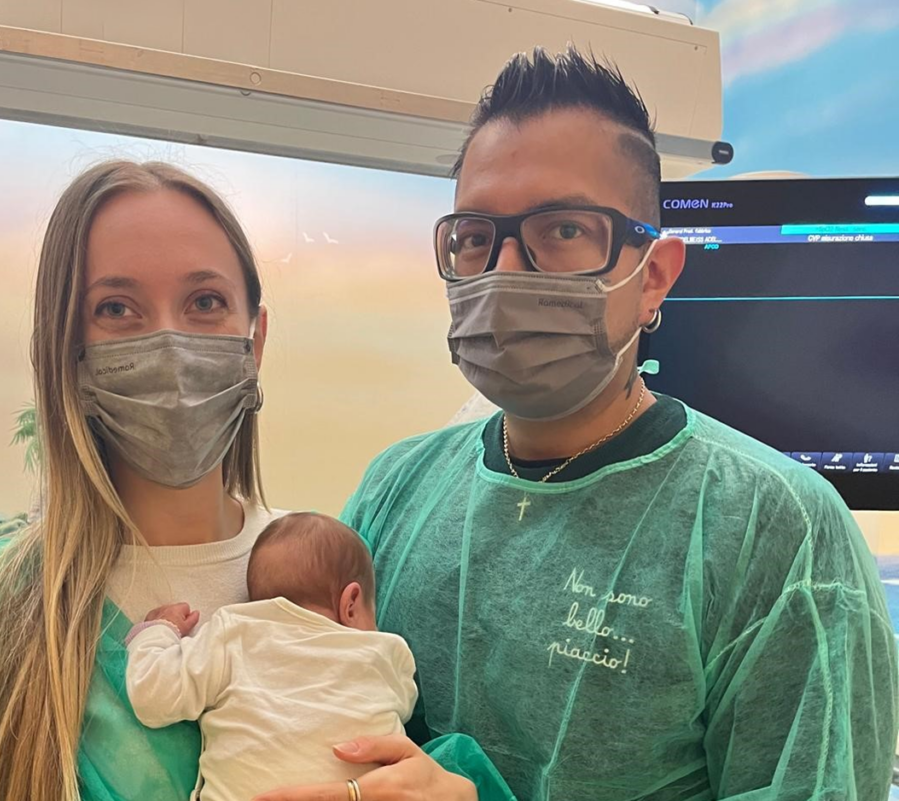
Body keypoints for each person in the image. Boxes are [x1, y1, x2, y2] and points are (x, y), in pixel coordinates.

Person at [324, 48, 897, 801]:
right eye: (473, 237)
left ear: (653, 275)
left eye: (562, 230)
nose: (504, 270)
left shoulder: (778, 532)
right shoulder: (395, 490)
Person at [0, 162, 504, 801]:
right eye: (117, 308)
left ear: (255, 341)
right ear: (67, 350)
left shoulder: (332, 574)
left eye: (205, 302)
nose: (170, 345)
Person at [124, 513, 419, 801]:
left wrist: (158, 631)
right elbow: (402, 709)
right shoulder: (385, 652)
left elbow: (153, 695)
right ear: (351, 603)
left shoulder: (232, 635)